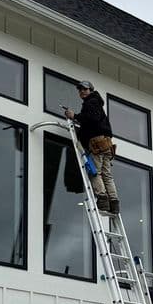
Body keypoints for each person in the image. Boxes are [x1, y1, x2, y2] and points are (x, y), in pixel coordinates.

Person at [63, 81, 119, 214]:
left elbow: (91, 118)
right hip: (106, 143)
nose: (82, 91)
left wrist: (74, 116)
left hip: (98, 143)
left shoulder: (91, 102)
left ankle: (102, 200)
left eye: (84, 89)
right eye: (80, 89)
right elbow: (94, 120)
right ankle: (114, 203)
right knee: (107, 175)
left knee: (95, 172)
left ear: (91, 90)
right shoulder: (96, 102)